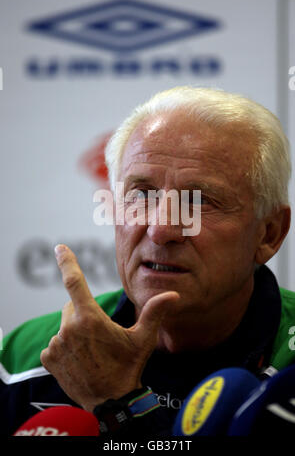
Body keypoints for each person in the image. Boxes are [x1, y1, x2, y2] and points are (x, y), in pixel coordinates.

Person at [1, 86, 295, 438]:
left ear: (269, 234)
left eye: (199, 201)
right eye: (141, 194)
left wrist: (119, 404)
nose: (161, 229)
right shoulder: (23, 359)